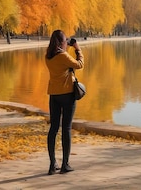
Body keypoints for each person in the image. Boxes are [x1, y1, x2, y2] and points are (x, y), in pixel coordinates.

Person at [45, 30, 84, 175]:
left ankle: (52, 164)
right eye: (65, 41)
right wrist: (77, 48)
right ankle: (65, 164)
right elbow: (79, 64)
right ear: (62, 42)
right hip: (67, 94)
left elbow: (63, 64)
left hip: (54, 95)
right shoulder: (63, 56)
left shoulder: (48, 56)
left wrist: (66, 47)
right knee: (66, 128)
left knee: (54, 128)